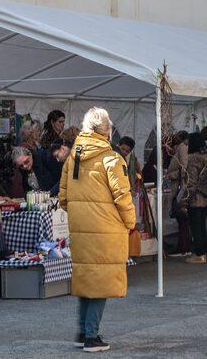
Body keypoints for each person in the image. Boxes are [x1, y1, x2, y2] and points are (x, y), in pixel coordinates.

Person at [59, 107, 135, 352]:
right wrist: (130, 222)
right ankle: (92, 336)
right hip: (105, 228)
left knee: (86, 280)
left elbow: (63, 197)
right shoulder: (111, 159)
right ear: (107, 131)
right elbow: (123, 196)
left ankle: (82, 331)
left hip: (81, 228)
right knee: (100, 282)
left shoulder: (73, 158)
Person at [179, 133, 207, 264]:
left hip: (196, 197)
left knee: (196, 227)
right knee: (202, 226)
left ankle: (199, 254)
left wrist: (184, 200)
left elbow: (191, 181)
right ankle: (202, 252)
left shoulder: (193, 158)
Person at [166, 131, 192, 257]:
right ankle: (184, 246)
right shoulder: (183, 148)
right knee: (183, 220)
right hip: (182, 187)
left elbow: (184, 168)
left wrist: (170, 175)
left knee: (181, 218)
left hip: (180, 188)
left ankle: (183, 247)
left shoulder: (182, 148)